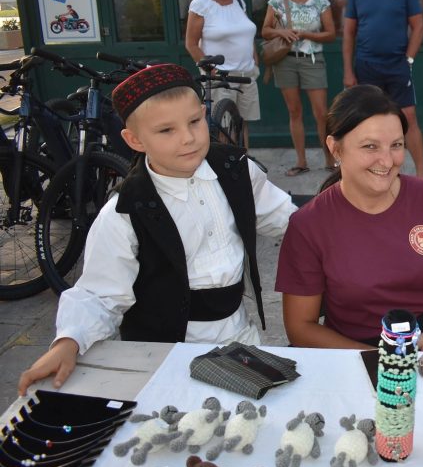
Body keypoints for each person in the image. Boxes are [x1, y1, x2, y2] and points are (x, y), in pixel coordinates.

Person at [17, 64, 297, 395]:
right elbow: (99, 293)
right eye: (166, 131)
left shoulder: (237, 170)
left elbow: (286, 219)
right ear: (134, 139)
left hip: (240, 337)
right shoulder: (125, 211)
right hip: (167, 353)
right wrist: (68, 341)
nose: (188, 138)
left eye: (194, 122)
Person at [276, 85, 423, 351]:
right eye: (370, 146)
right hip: (353, 348)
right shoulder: (308, 225)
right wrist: (382, 359)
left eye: (396, 145)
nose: (386, 161)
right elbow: (300, 328)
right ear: (335, 148)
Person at [342, 0, 423, 179]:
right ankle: (375, 169)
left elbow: (418, 26)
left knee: (408, 117)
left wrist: (409, 59)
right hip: (367, 65)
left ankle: (421, 174)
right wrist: (348, 70)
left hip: (397, 65)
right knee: (370, 120)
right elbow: (349, 33)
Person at [262, 0, 336, 175]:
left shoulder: (320, 1)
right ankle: (301, 161)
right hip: (285, 60)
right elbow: (265, 30)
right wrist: (281, 32)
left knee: (321, 113)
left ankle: (329, 160)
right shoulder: (277, 0)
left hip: (312, 60)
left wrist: (306, 34)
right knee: (294, 111)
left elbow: (331, 34)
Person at [186, 0, 260, 148]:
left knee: (242, 123)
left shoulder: (238, 0)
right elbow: (191, 44)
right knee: (223, 126)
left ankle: (243, 162)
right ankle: (227, 168)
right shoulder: (201, 4)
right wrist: (212, 72)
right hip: (221, 76)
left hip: (246, 74)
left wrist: (254, 60)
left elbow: (246, 32)